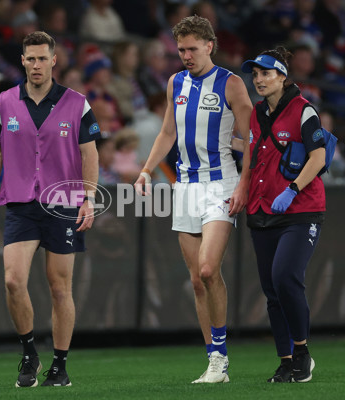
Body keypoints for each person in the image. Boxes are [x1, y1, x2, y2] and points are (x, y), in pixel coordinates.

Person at [134, 15, 253, 384]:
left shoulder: (231, 85)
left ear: (209, 46)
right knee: (197, 281)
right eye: (180, 49)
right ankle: (215, 358)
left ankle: (220, 357)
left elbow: (251, 140)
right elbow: (168, 131)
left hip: (220, 186)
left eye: (191, 48)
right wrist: (145, 170)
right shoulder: (176, 82)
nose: (185, 55)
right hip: (185, 188)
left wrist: (243, 185)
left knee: (207, 268)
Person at [0, 31, 99, 388]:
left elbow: (90, 153)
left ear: (54, 60)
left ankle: (59, 366)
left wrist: (89, 199)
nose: (36, 65)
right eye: (30, 58)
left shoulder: (77, 103)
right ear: (22, 61)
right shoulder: (5, 102)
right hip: (19, 201)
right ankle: (29, 352)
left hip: (63, 202)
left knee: (59, 287)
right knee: (13, 280)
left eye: (42, 58)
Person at [240, 46, 326, 383]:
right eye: (256, 74)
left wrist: (292, 189)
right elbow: (252, 157)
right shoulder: (255, 114)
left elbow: (318, 158)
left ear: (282, 77)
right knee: (272, 291)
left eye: (266, 73)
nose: (259, 79)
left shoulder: (304, 111)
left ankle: (302, 353)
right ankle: (286, 360)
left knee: (285, 277)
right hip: (261, 210)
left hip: (300, 209)